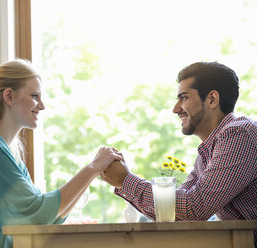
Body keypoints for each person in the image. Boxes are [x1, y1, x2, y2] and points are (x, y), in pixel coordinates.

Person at [0, 59, 122, 248]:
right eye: (35, 96)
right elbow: (33, 217)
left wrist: (92, 173)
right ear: (9, 96)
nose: (42, 106)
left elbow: (47, 220)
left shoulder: (7, 155)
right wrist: (93, 168)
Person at [102, 62, 257, 246]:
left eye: (183, 98)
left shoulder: (238, 134)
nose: (175, 109)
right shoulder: (207, 152)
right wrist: (125, 182)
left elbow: (195, 207)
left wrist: (126, 180)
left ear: (212, 99)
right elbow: (178, 216)